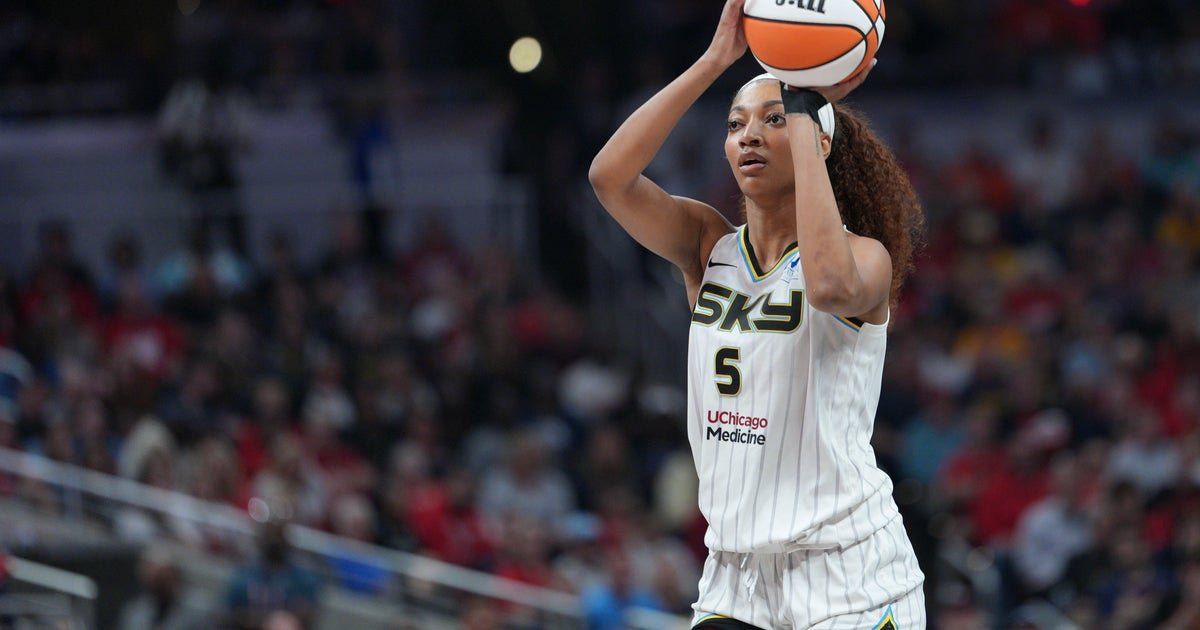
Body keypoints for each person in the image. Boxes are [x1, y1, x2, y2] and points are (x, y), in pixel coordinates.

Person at [587, 1, 926, 628]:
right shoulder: (707, 244)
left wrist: (805, 105)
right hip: (735, 572)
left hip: (848, 570)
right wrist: (714, 61)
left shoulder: (865, 257)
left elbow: (827, 287)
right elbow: (609, 176)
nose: (749, 135)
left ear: (816, 138)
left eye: (773, 119)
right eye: (735, 123)